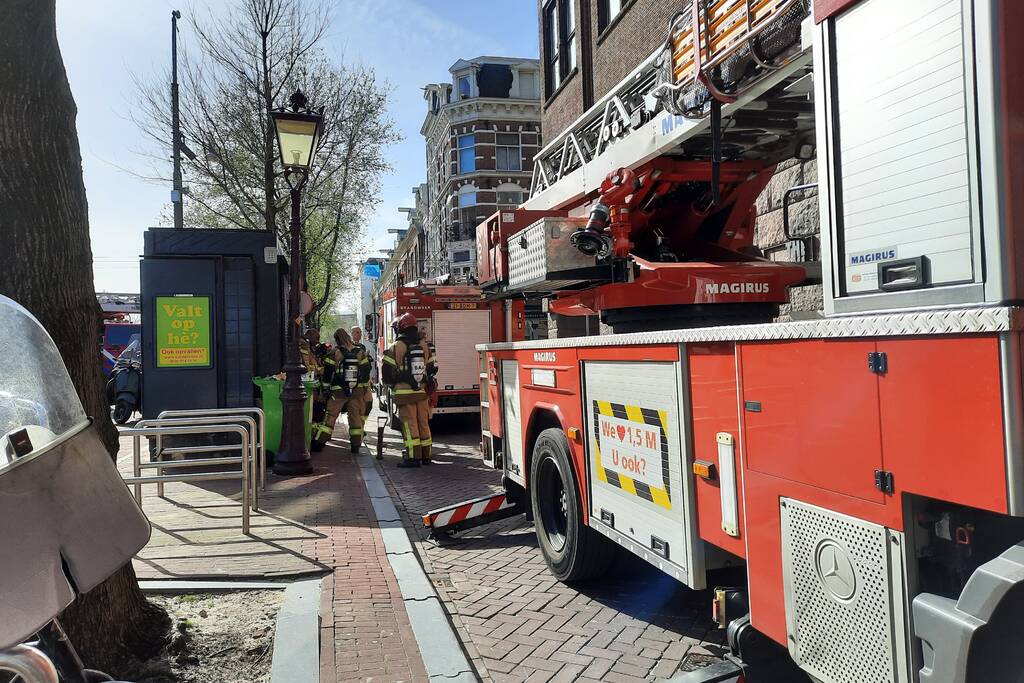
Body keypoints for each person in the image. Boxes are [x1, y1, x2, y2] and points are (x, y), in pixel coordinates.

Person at [381, 313, 433, 467]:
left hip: (404, 394)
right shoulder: (424, 345)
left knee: (410, 425)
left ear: (400, 328)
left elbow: (387, 373)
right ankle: (426, 456)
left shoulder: (396, 347)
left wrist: (393, 385)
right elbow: (432, 368)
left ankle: (412, 458)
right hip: (421, 392)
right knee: (423, 423)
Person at [351, 325, 374, 418]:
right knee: (355, 405)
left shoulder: (362, 346)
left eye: (360, 332)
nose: (360, 334)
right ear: (351, 334)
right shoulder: (349, 347)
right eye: (357, 332)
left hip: (364, 380)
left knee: (368, 403)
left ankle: (362, 423)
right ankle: (357, 424)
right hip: (354, 381)